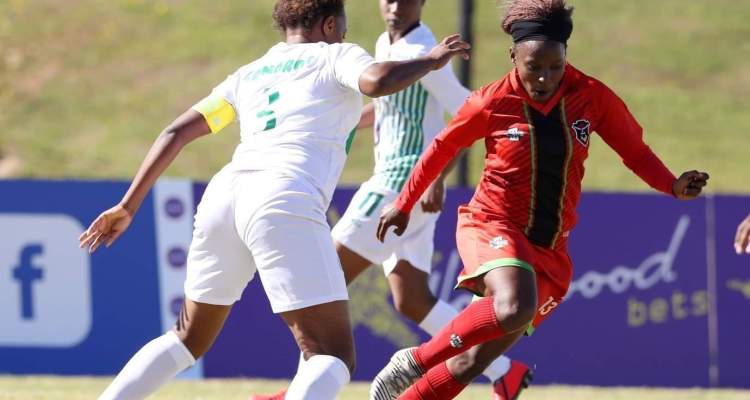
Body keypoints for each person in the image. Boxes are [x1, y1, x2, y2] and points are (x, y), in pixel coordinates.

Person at [78, 1, 470, 399]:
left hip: (224, 197)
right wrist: (431, 60)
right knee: (331, 355)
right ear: (329, 24)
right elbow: (378, 81)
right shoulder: (335, 55)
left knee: (186, 338)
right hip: (283, 196)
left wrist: (127, 206)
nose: (345, 34)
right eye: (343, 25)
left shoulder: (250, 72)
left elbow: (175, 133)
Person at [369, 0, 710, 399]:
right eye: (534, 67)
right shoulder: (491, 101)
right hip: (492, 224)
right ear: (513, 56)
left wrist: (672, 184)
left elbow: (634, 151)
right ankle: (415, 361)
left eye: (555, 66)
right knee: (514, 305)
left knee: (472, 360)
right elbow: (442, 148)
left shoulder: (591, 96)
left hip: (550, 249)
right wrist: (404, 203)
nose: (545, 77)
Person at [250, 1, 530, 399]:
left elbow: (471, 113)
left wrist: (437, 176)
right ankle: (504, 370)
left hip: (398, 186)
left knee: (324, 277)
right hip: (404, 191)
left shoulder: (424, 53)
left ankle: (301, 390)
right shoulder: (387, 44)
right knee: (412, 299)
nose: (395, 6)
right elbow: (388, 105)